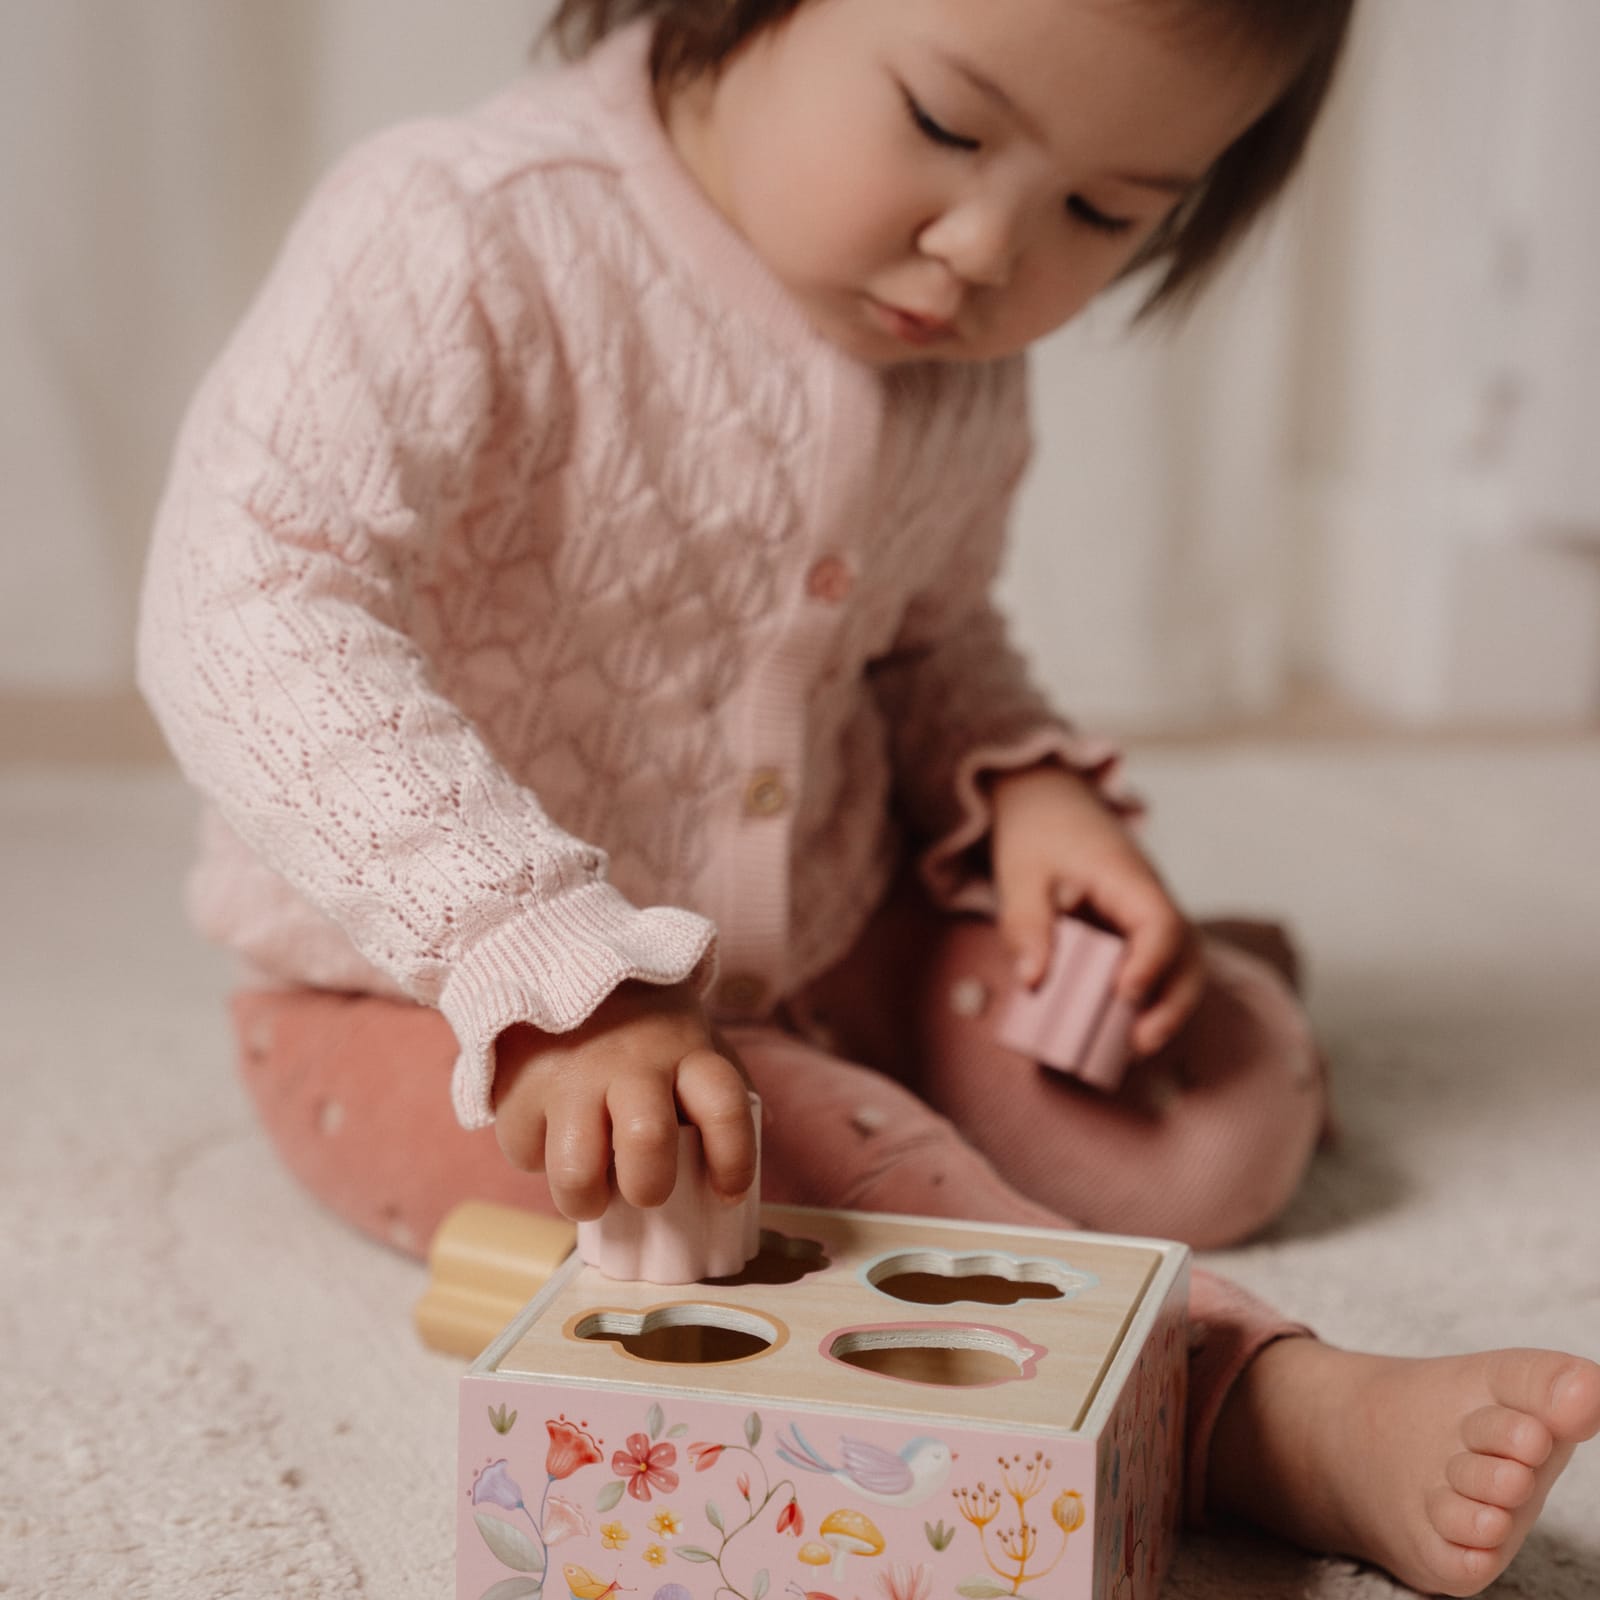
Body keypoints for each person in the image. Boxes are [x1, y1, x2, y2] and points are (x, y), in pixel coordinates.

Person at [137, 1, 1600, 1593]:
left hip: (826, 914)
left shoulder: (955, 366)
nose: (984, 247)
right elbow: (247, 601)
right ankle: (1251, 1410)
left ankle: (1204, 963)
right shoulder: (461, 236)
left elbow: (927, 641)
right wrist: (539, 955)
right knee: (802, 1175)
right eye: (947, 126)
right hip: (443, 1011)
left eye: (1104, 212)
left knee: (1211, 1125)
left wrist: (1034, 789)